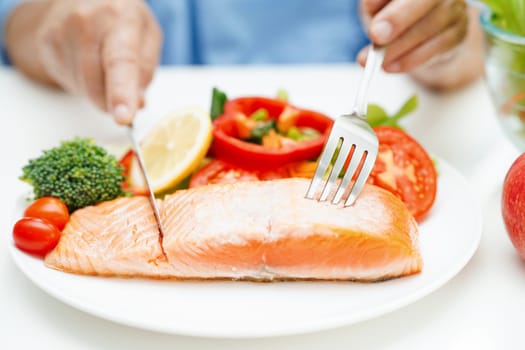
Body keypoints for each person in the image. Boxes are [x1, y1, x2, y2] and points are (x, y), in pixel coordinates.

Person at [1, 0, 483, 125]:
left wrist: (442, 36)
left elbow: (478, 39)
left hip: (360, 100)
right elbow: (16, 21)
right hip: (114, 116)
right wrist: (52, 24)